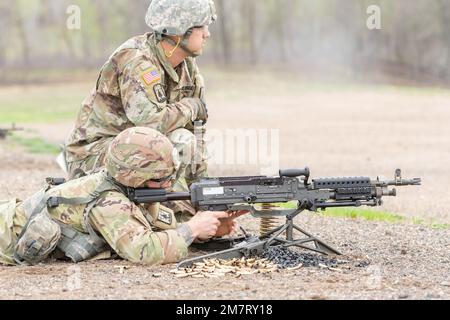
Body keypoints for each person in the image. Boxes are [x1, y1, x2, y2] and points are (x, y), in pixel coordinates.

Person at [0, 127, 244, 266]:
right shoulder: (109, 201)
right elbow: (145, 251)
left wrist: (206, 231)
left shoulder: (123, 187)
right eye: (160, 179)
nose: (169, 184)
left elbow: (155, 226)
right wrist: (191, 229)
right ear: (135, 177)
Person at [64, 0, 217, 188]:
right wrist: (191, 107)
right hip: (92, 156)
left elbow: (196, 130)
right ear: (179, 30)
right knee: (178, 142)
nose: (207, 34)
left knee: (184, 141)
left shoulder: (187, 66)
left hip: (134, 151)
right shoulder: (137, 60)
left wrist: (204, 191)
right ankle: (150, 207)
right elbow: (151, 123)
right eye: (201, 27)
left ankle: (168, 206)